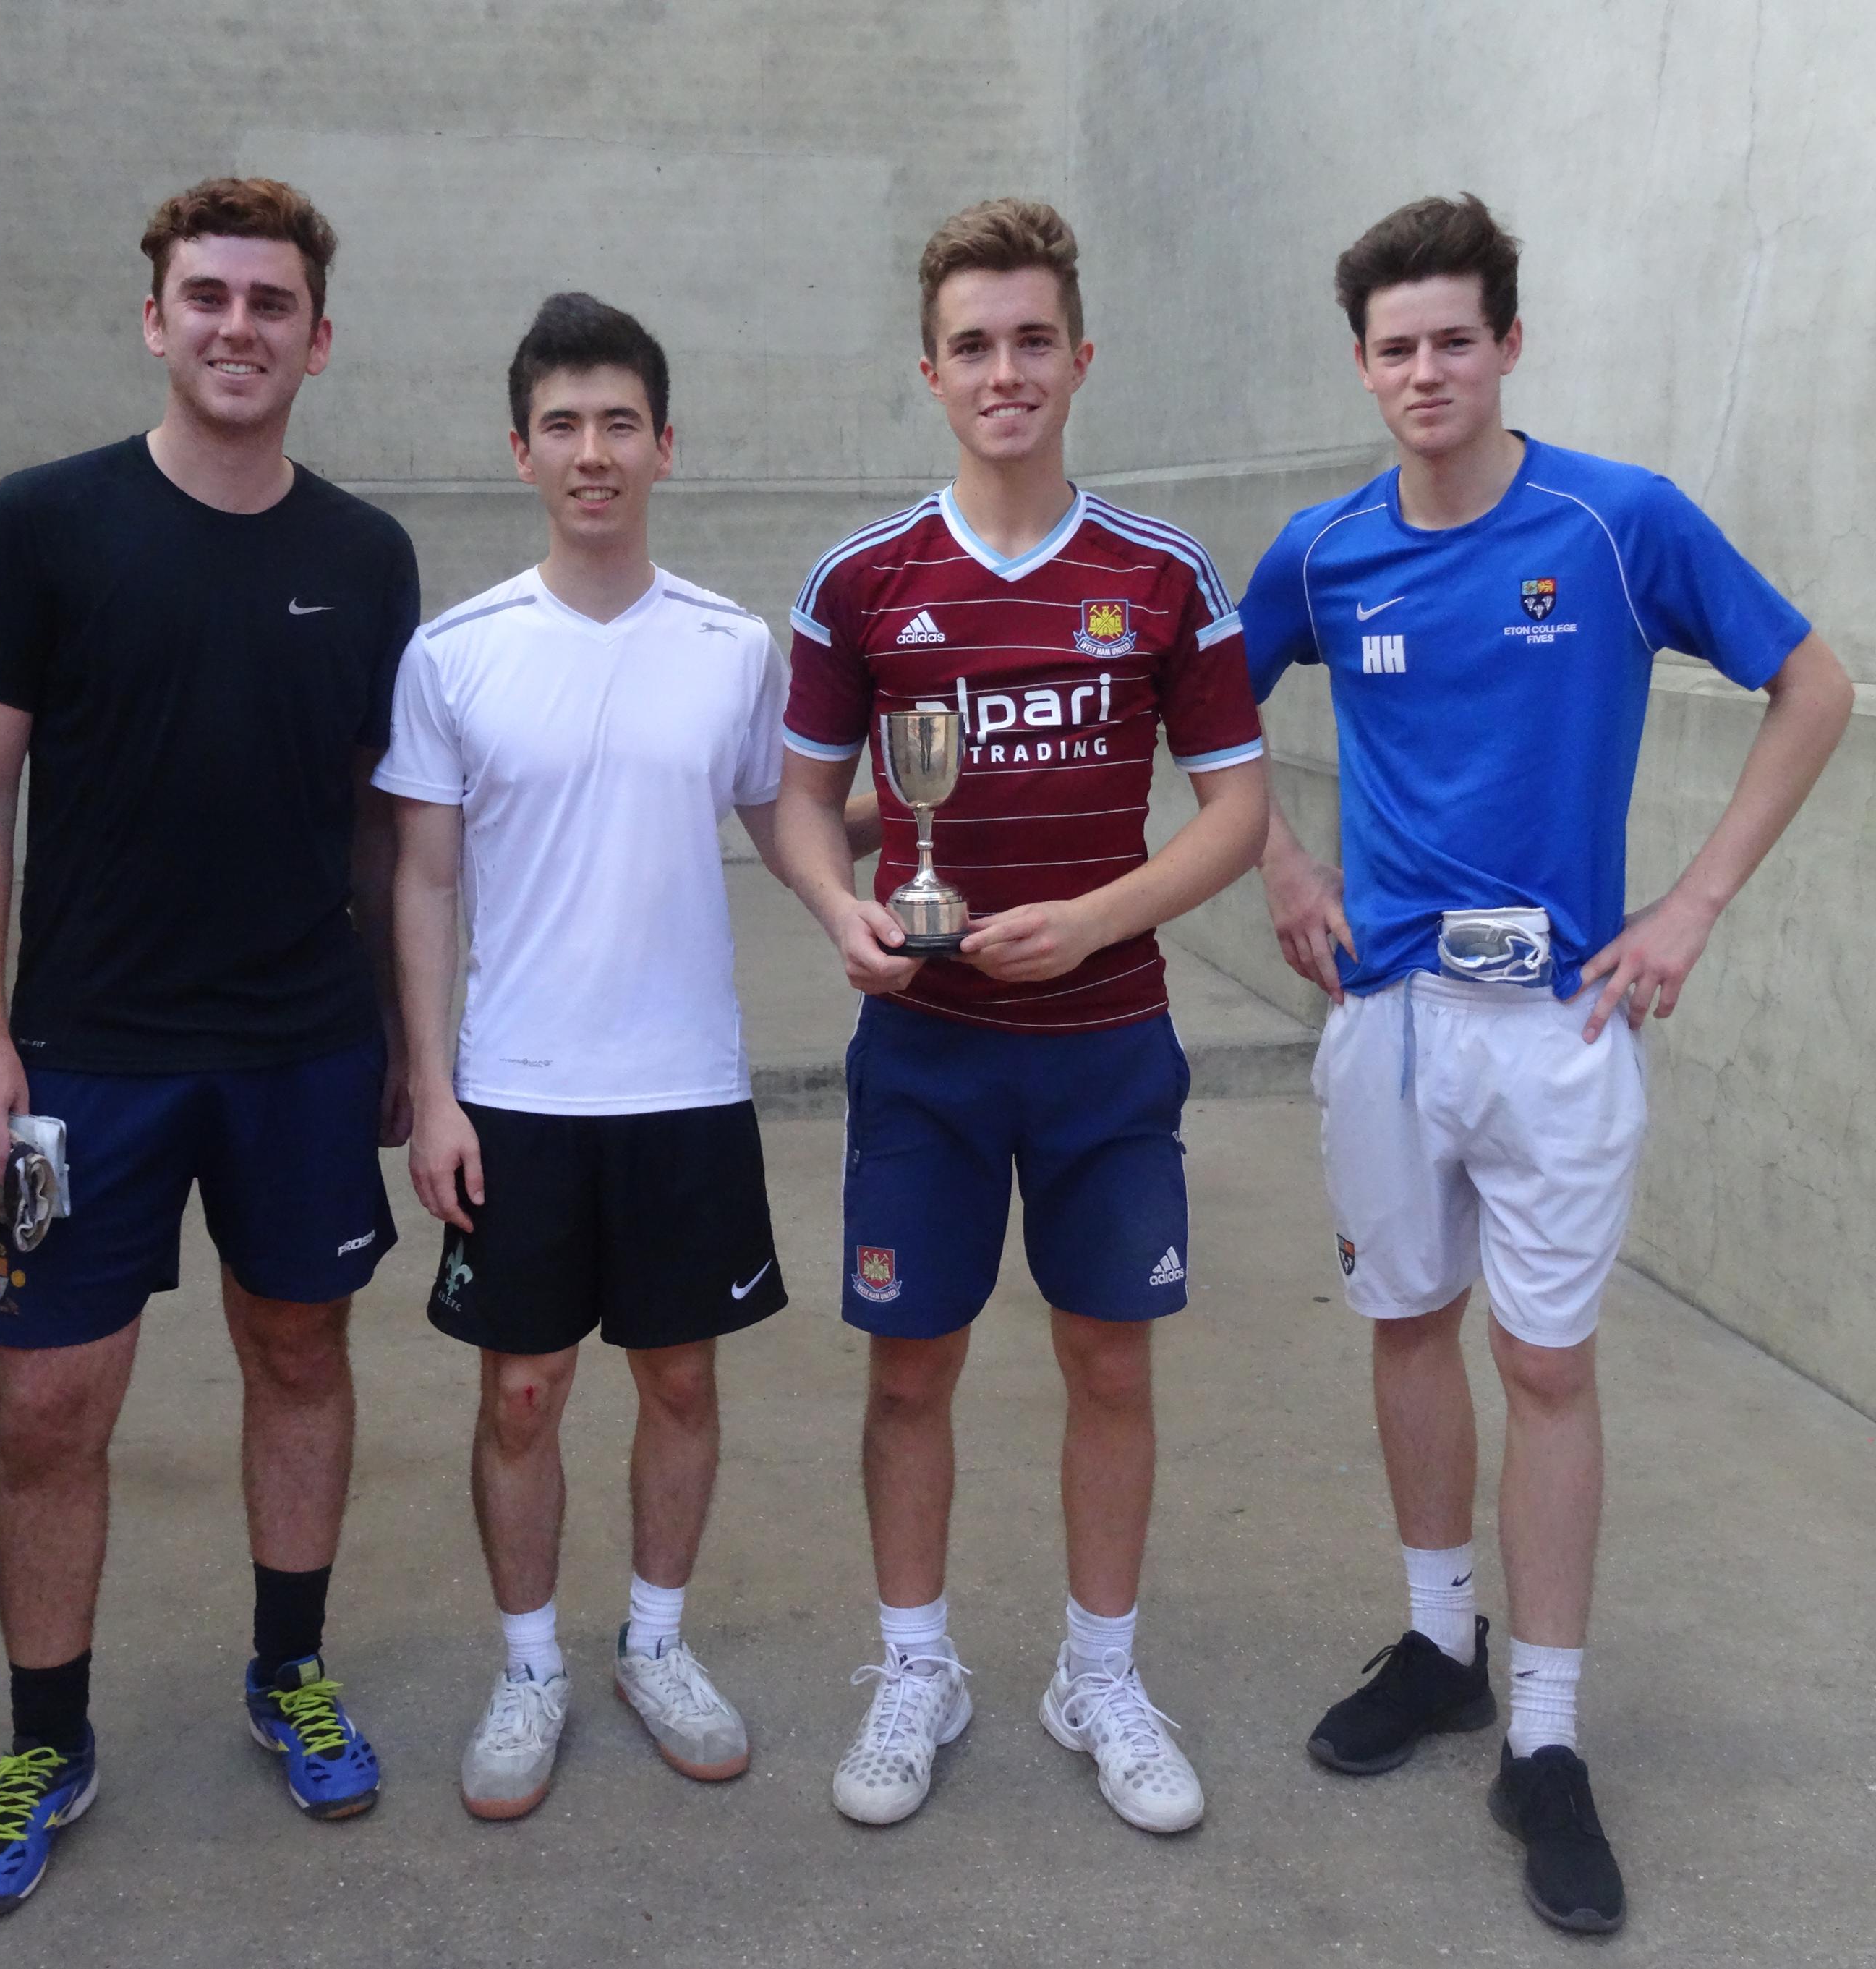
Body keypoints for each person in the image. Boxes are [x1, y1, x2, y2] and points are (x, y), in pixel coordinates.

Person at [1238, 194, 1854, 1934]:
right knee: (1410, 1325)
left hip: (1563, 1026)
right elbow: (1195, 702)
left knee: (1549, 1363)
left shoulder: (1613, 521)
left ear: (1508, 343)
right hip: (1385, 1023)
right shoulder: (1324, 547)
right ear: (1362, 365)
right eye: (1394, 345)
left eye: (1454, 337)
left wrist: (1692, 905)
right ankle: (1443, 1645)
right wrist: (1281, 863)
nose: (1424, 370)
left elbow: (1814, 684)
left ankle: (1552, 1738)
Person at [0, 177, 419, 1916]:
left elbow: (381, 824)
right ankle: (45, 1738)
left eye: (269, 302)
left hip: (296, 1051)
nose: (235, 326)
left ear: (316, 338)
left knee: (300, 1354)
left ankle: (288, 1666)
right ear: (155, 318)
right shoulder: (45, 523)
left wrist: (401, 1040)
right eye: (204, 296)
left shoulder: (365, 556)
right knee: (52, 1404)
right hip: (84, 1064)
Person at [772, 199, 1270, 1834]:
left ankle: (1098, 1671)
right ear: (931, 369)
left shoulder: (1161, 574)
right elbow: (796, 799)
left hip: (1107, 1044)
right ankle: (916, 1663)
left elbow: (1237, 811)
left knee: (1106, 1357)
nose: (1006, 371)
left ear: (1080, 357)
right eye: (974, 345)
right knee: (910, 1368)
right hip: (924, 1051)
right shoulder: (862, 579)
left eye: (1033, 340)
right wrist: (847, 909)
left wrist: (1099, 918)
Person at [380, 293, 798, 1821]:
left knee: (678, 1378)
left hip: (687, 1088)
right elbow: (424, 882)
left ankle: (658, 1644)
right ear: (521, 450)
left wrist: (962, 808)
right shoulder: (457, 653)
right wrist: (434, 1090)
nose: (593, 450)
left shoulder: (733, 646)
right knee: (523, 1397)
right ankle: (531, 1665)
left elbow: (789, 821)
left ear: (666, 445)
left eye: (621, 420)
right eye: (563, 423)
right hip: (521, 1097)